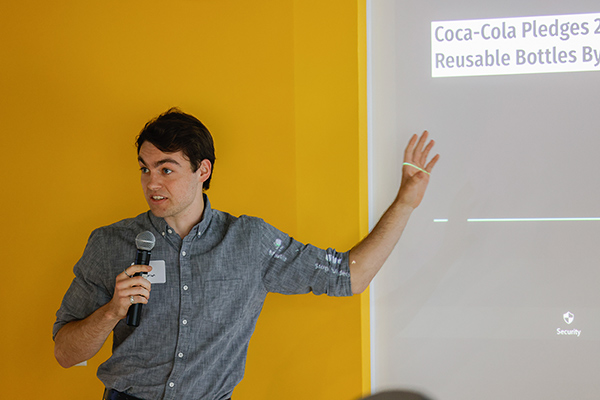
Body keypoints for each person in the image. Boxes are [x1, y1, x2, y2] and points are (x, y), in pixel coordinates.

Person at [53, 108, 439, 400]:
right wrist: (112, 312)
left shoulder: (249, 241)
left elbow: (349, 276)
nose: (151, 182)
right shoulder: (109, 243)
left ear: (202, 171)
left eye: (166, 169)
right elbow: (65, 353)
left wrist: (404, 203)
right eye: (144, 169)